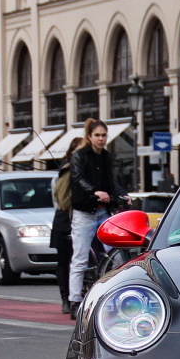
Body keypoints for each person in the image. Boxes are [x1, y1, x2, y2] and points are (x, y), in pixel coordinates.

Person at [67, 118, 127, 316]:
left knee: (116, 257)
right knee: (80, 259)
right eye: (97, 135)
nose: (101, 139)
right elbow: (78, 179)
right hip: (84, 213)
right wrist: (95, 192)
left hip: (103, 212)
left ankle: (113, 296)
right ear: (89, 137)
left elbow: (111, 181)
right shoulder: (79, 156)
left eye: (104, 135)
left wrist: (122, 194)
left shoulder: (106, 157)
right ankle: (75, 301)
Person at [50, 137, 83, 314]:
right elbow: (61, 200)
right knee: (64, 261)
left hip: (82, 217)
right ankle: (66, 299)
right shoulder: (66, 171)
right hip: (65, 220)